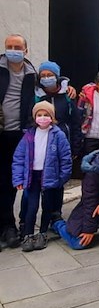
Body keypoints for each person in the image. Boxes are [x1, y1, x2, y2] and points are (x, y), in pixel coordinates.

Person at [13, 102, 72, 252]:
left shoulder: (58, 135)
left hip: (50, 177)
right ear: (35, 117)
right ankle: (28, 233)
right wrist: (18, 178)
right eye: (39, 115)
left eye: (46, 115)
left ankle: (43, 232)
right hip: (33, 176)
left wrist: (62, 178)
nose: (43, 118)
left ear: (52, 117)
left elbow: (65, 158)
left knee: (47, 206)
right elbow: (19, 158)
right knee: (31, 207)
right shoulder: (29, 135)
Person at [0, 34, 37, 248]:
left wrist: (65, 86)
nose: (13, 50)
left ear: (26, 50)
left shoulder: (31, 73)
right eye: (9, 46)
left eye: (18, 47)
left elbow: (51, 83)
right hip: (0, 131)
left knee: (10, 181)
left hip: (18, 134)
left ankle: (8, 225)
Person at [35, 61, 82, 156]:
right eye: (43, 75)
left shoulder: (68, 95)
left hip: (65, 142)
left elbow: (76, 122)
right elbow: (30, 122)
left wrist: (76, 147)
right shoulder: (36, 96)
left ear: (56, 76)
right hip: (42, 145)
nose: (46, 78)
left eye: (49, 75)